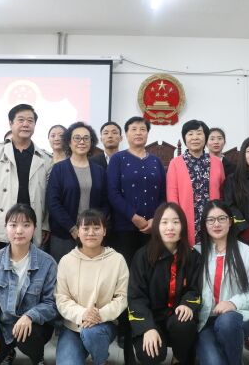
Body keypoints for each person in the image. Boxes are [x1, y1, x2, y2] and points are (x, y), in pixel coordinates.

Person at [107, 116, 166, 362]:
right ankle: (125, 329)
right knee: (127, 281)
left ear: (148, 134)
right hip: (124, 230)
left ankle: (149, 327)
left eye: (143, 129)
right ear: (126, 134)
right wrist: (134, 217)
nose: (139, 133)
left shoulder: (156, 161)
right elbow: (112, 193)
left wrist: (154, 220)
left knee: (150, 278)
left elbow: (163, 195)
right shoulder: (118, 159)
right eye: (133, 129)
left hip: (152, 231)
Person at [0, 204, 57, 365]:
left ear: (34, 228)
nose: (19, 231)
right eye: (13, 225)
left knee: (27, 336)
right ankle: (7, 351)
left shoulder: (47, 263)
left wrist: (29, 316)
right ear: (5, 228)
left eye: (26, 225)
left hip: (34, 326)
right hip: (3, 324)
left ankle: (37, 358)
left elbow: (51, 304)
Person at [128, 202, 202, 364]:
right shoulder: (142, 256)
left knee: (184, 323)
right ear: (156, 226)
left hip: (177, 320)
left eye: (176, 222)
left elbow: (195, 289)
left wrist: (187, 304)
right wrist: (147, 327)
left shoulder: (193, 256)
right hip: (151, 318)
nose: (170, 227)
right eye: (164, 222)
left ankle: (179, 358)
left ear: (183, 226)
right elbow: (136, 297)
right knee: (150, 354)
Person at [0, 103, 53, 255]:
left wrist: (45, 225)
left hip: (31, 225)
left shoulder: (45, 158)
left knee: (29, 266)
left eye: (30, 121)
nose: (26, 124)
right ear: (11, 123)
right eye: (21, 120)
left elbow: (49, 195)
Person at [55, 209, 129, 365]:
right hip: (73, 326)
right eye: (86, 228)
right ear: (78, 231)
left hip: (103, 324)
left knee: (91, 333)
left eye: (96, 228)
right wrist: (83, 314)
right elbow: (61, 298)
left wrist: (99, 315)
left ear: (104, 231)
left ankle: (100, 360)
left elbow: (122, 297)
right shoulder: (66, 261)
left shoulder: (117, 260)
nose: (91, 233)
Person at [196, 200, 249, 365]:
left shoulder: (245, 252)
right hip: (205, 321)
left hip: (237, 317)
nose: (216, 224)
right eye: (211, 220)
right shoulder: (197, 252)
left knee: (226, 322)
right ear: (204, 224)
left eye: (222, 218)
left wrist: (233, 303)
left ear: (230, 221)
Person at [47, 121, 109, 263]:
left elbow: (105, 202)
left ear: (91, 142)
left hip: (92, 235)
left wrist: (95, 225)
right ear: (69, 142)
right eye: (77, 138)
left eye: (86, 138)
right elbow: (53, 202)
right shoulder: (59, 169)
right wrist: (73, 229)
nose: (82, 142)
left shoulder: (99, 171)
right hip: (64, 235)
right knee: (63, 272)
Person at [167, 120, 225, 245]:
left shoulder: (217, 162)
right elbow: (172, 195)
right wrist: (176, 219)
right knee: (189, 253)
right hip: (185, 220)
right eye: (190, 134)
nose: (195, 137)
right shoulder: (175, 163)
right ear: (185, 138)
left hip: (213, 220)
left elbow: (222, 192)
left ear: (205, 137)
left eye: (199, 133)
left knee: (212, 251)